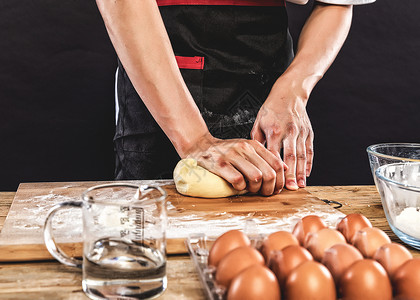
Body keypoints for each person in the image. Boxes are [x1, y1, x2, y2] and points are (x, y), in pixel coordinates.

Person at [95, 0, 367, 196]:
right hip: (164, 82)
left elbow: (337, 3)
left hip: (267, 88)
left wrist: (294, 88)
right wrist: (195, 141)